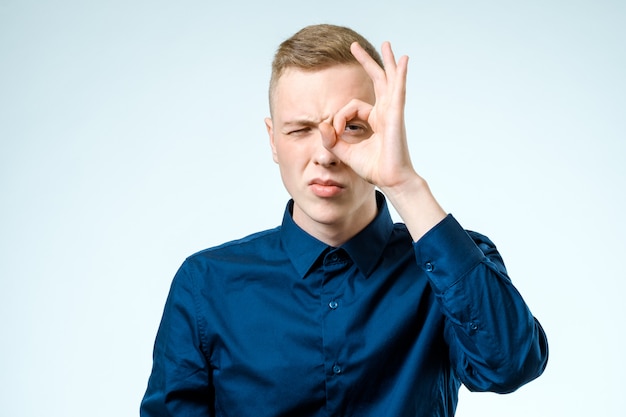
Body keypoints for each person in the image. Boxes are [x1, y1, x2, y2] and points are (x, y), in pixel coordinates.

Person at [140, 24, 548, 416]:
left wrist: (404, 184)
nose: (326, 154)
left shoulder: (453, 265)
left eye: (353, 127)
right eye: (300, 130)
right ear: (272, 141)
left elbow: (510, 366)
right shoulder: (205, 284)